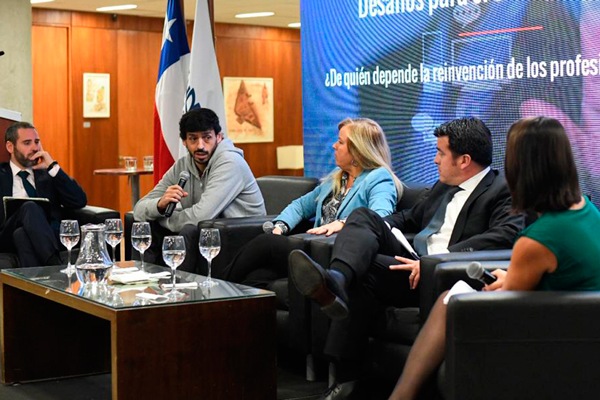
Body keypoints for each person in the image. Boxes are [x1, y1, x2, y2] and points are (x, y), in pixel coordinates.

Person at [289, 117, 525, 399]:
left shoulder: (502, 189)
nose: (435, 160)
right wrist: (360, 226)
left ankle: (346, 380)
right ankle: (337, 280)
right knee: (364, 217)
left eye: (441, 153)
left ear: (464, 160)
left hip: (442, 274)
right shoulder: (442, 186)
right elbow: (407, 218)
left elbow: (502, 236)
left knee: (365, 273)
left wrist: (437, 262)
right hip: (413, 263)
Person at [388, 116, 600, 400]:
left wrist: (499, 285)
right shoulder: (588, 210)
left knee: (448, 300)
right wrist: (508, 279)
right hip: (582, 329)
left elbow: (510, 306)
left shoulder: (538, 239)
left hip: (550, 333)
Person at [224, 117, 402, 288]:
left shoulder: (379, 178)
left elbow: (380, 217)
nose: (334, 145)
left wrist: (342, 223)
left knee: (266, 243)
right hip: (313, 247)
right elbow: (301, 206)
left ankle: (216, 287)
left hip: (337, 255)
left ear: (357, 151)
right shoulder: (338, 176)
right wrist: (280, 227)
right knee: (255, 279)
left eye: (340, 142)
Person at [133, 108, 266, 272]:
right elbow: (139, 209)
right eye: (193, 139)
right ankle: (147, 283)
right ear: (184, 141)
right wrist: (160, 206)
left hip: (242, 239)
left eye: (207, 138)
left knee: (189, 230)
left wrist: (165, 219)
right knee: (148, 224)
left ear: (219, 137)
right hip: (208, 235)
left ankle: (178, 291)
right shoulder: (183, 165)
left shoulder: (230, 162)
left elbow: (201, 217)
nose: (200, 146)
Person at [0, 122, 87, 267]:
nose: (35, 148)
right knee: (29, 206)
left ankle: (33, 287)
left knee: (21, 235)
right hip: (6, 235)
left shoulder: (48, 174)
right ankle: (55, 265)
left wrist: (53, 167)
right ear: (10, 147)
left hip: (46, 234)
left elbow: (79, 200)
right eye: (27, 143)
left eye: (37, 142)